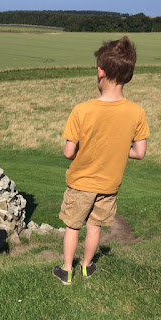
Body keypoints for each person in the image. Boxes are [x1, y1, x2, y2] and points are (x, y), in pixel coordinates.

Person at [53, 36, 150, 285]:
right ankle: (86, 267)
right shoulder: (137, 113)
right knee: (95, 227)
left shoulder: (82, 110)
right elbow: (139, 152)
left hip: (81, 182)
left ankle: (66, 270)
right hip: (109, 185)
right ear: (129, 74)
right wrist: (117, 149)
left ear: (100, 71)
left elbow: (68, 152)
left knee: (73, 227)